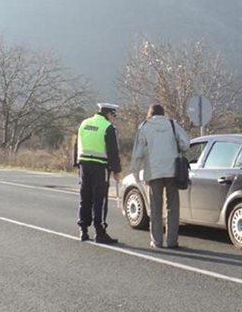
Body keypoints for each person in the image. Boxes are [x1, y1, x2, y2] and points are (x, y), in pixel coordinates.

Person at [130, 104, 190, 249]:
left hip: (153, 172)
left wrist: (135, 171)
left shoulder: (144, 127)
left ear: (149, 114)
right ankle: (172, 241)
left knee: (155, 208)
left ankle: (157, 241)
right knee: (173, 207)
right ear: (163, 114)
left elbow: (138, 152)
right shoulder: (172, 124)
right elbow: (186, 143)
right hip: (172, 171)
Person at [74, 102, 123, 243]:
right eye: (114, 115)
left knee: (85, 197)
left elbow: (77, 145)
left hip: (84, 165)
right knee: (99, 199)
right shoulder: (108, 127)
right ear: (109, 113)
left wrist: (77, 163)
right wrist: (117, 170)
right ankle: (100, 231)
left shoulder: (84, 123)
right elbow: (113, 152)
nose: (114, 118)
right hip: (100, 167)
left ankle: (83, 230)